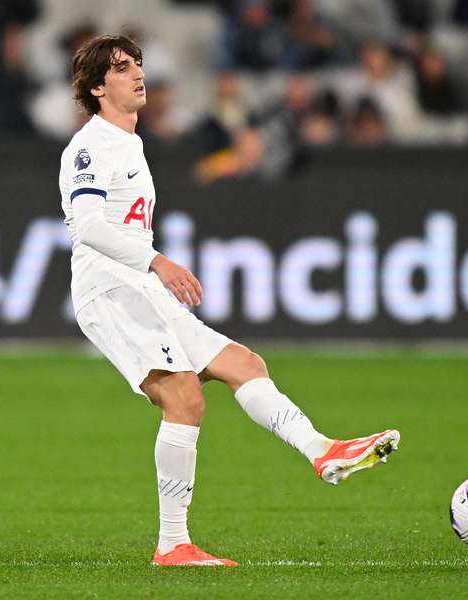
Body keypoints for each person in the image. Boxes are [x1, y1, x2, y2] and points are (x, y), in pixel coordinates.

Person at [58, 35, 400, 567]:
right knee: (184, 396)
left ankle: (322, 451)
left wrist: (152, 269)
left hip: (140, 286)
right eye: (122, 69)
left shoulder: (129, 142)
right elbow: (85, 224)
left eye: (138, 64)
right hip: (111, 288)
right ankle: (173, 544)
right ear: (98, 87)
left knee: (244, 363)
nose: (137, 74)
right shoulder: (89, 146)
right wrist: (156, 260)